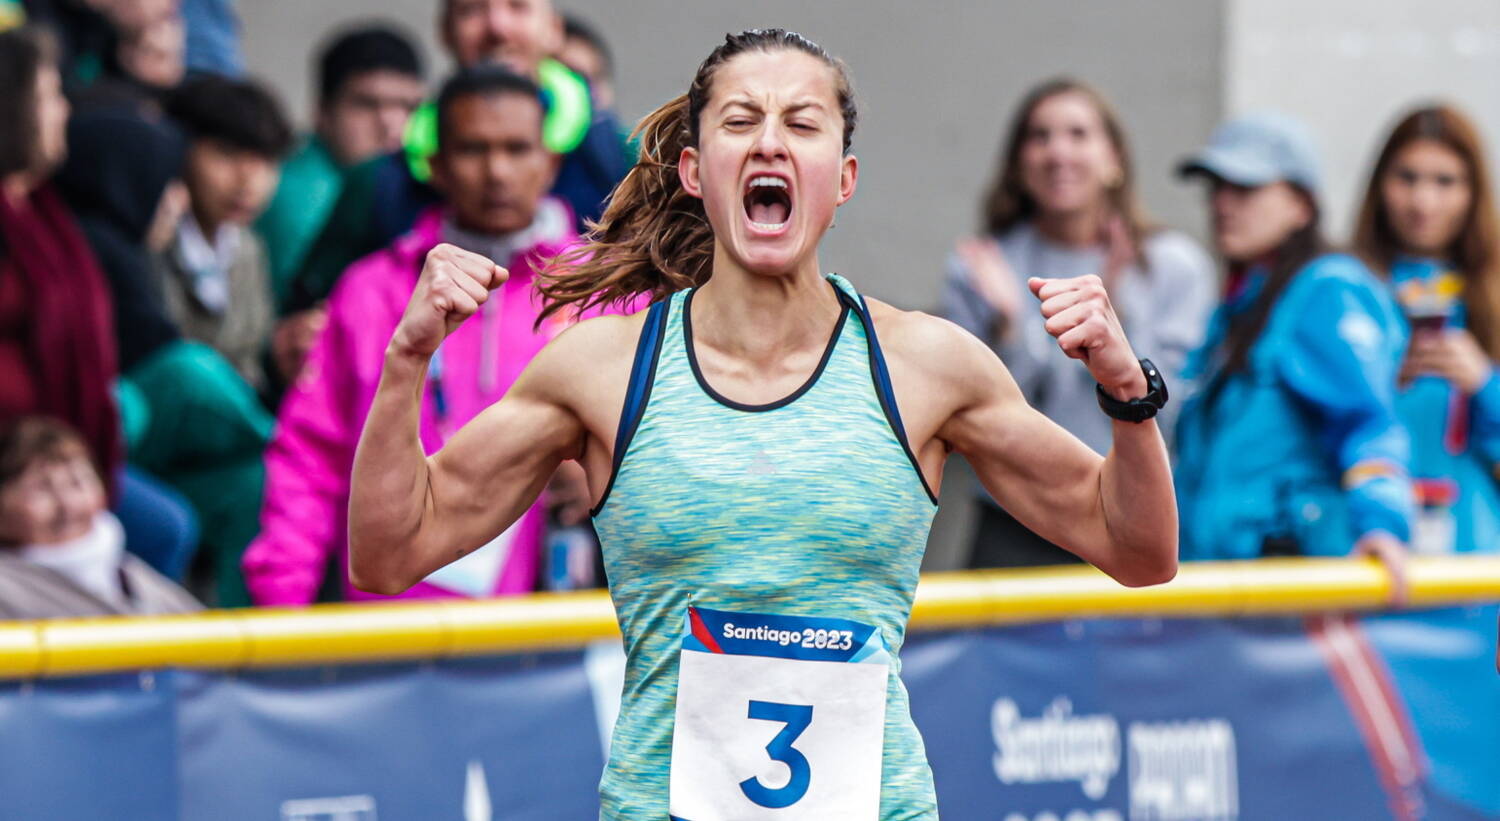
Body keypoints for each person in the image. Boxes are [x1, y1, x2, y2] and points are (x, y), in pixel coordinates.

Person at [347, 30, 1177, 818]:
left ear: (843, 179)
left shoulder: (927, 364)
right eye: (740, 121)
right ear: (695, 171)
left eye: (802, 124)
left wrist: (1125, 392)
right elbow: (391, 553)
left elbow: (1137, 549)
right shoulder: (601, 370)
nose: (770, 142)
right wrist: (406, 360)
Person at [242, 66, 583, 606]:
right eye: (474, 149)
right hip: (391, 636)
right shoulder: (370, 290)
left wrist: (614, 478)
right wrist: (283, 608)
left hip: (552, 643)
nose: (497, 171)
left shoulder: (603, 291)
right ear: (437, 165)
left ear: (550, 161)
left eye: (517, 149)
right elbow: (309, 460)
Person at [945, 78, 1216, 569]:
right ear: (1018, 162)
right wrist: (1011, 328)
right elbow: (976, 425)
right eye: (1040, 136)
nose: (1058, 152)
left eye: (1077, 134)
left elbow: (1174, 414)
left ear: (1115, 159)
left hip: (1135, 512)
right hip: (1015, 519)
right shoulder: (980, 267)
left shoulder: (1174, 266)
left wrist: (1119, 327)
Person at [1174, 113, 1413, 581]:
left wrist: (1382, 523)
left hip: (1292, 591)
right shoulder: (1237, 307)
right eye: (1216, 188)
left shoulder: (1326, 290)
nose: (1223, 204)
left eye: (1245, 188)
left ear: (1302, 205)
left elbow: (1370, 422)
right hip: (1223, 593)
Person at [0, 24, 196, 581]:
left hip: (63, 450)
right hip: (17, 472)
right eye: (48, 97)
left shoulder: (40, 212)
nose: (62, 112)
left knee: (170, 523)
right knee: (163, 527)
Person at [56, 101, 272, 606]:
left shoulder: (142, 249)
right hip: (92, 444)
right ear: (125, 180)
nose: (176, 201)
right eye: (162, 180)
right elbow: (164, 360)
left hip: (151, 449)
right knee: (187, 370)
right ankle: (297, 445)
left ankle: (246, 650)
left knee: (259, 485)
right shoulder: (86, 246)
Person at [287, 0, 630, 312]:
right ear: (445, 33)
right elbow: (303, 321)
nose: (497, 27)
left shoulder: (627, 164)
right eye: (472, 10)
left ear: (554, 29)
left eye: (518, 7)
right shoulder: (381, 181)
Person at [1352, 104, 1500, 555]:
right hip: (1368, 541)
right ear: (1380, 185)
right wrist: (1372, 379)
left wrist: (1485, 384)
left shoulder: (1492, 295)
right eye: (1407, 178)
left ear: (1473, 191)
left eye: (1445, 181)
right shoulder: (1346, 289)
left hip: (1473, 551)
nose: (1423, 202)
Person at [256, 24, 425, 309]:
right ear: (321, 112)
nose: (391, 124)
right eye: (366, 104)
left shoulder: (407, 182)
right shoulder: (299, 191)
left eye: (407, 106)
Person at [162, 73, 297, 392]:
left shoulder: (249, 248)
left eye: (265, 160)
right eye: (226, 153)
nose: (248, 180)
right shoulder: (155, 243)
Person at [0, 416, 201, 619]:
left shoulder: (135, 578)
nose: (67, 505)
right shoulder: (6, 590)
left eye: (77, 483)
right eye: (42, 489)